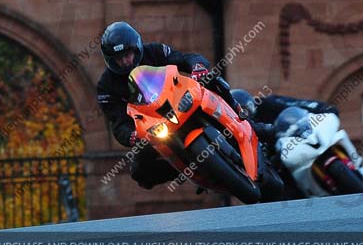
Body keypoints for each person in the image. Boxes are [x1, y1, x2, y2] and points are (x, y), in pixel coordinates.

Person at [97, 21, 271, 190]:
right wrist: (131, 135)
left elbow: (183, 58)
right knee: (139, 171)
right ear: (110, 60)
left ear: (136, 48)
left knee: (211, 80)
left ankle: (242, 117)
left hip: (181, 100)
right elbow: (117, 120)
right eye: (119, 59)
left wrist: (197, 66)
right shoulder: (106, 86)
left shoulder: (155, 51)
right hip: (154, 126)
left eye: (128, 54)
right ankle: (183, 171)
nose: (126, 61)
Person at [230, 89, 340, 200]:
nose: (244, 116)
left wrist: (321, 109)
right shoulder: (235, 137)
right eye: (238, 114)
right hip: (280, 171)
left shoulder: (267, 104)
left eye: (245, 110)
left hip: (300, 142)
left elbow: (296, 104)